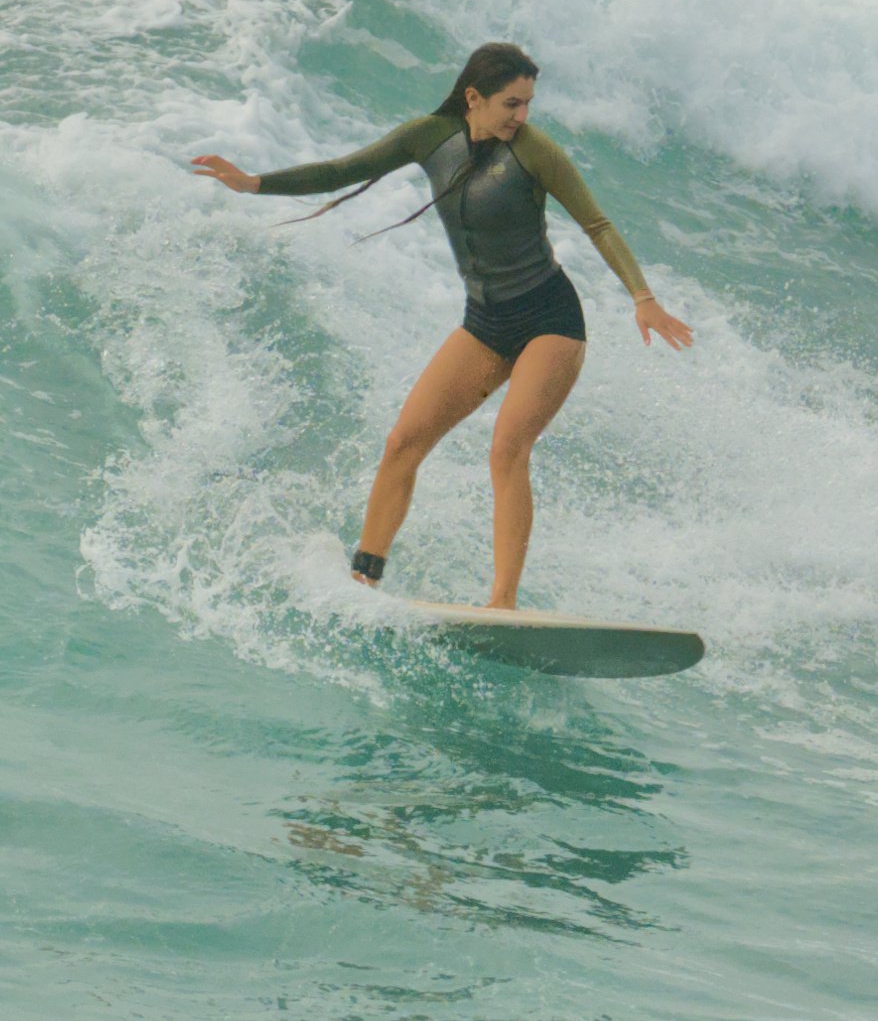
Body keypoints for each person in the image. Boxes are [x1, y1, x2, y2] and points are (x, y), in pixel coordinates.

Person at [192, 42, 693, 610]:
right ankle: (363, 582)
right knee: (404, 441)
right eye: (511, 103)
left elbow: (597, 223)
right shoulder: (428, 137)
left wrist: (642, 297)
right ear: (473, 98)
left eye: (528, 103)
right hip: (485, 320)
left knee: (507, 449)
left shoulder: (535, 152)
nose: (522, 116)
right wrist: (254, 183)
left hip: (550, 317)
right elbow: (341, 170)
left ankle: (502, 603)